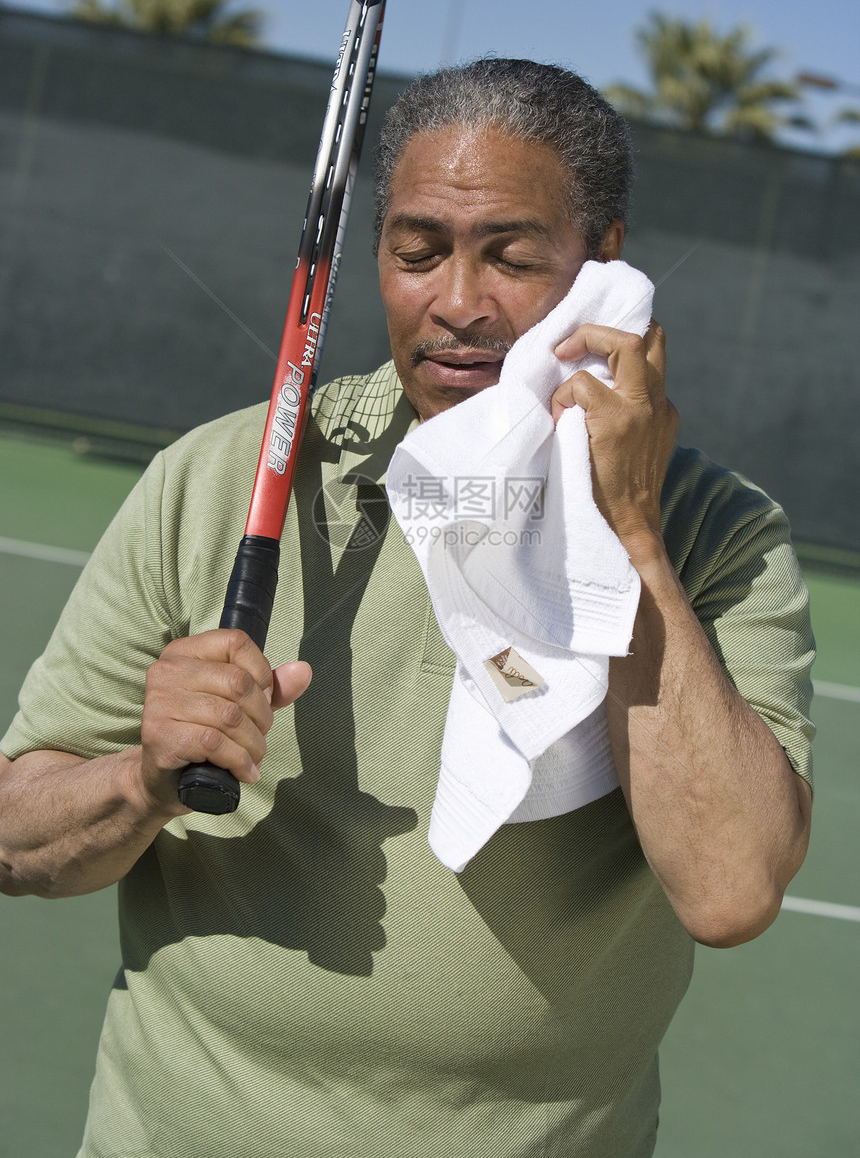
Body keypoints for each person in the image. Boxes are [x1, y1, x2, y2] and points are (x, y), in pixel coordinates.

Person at [0, 60, 814, 1158]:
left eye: (513, 257)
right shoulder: (211, 478)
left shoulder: (717, 532)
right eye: (417, 252)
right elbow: (16, 836)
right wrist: (141, 779)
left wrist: (627, 539)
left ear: (601, 269)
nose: (458, 302)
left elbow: (727, 891)